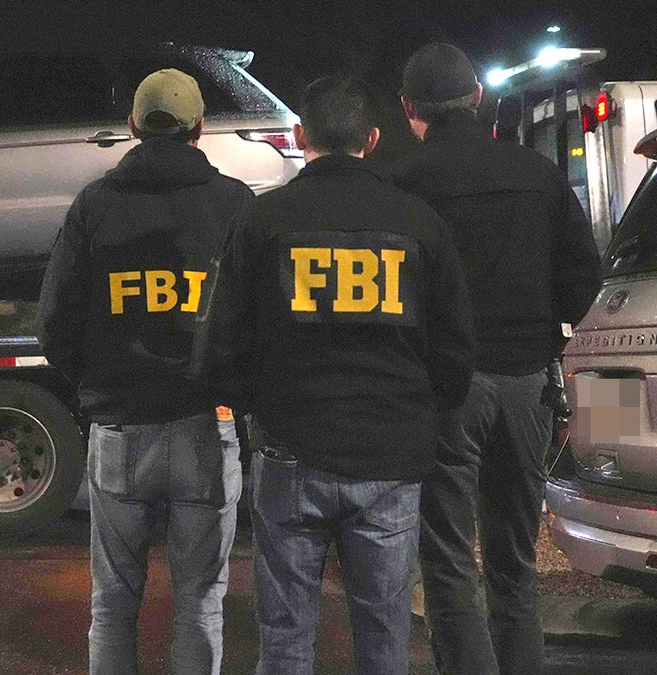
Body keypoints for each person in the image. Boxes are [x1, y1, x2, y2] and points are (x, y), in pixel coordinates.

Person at [195, 74, 475, 674]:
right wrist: (420, 415)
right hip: (391, 454)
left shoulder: (264, 220)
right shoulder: (418, 222)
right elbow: (454, 352)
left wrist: (260, 405)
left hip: (292, 448)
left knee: (287, 634)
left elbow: (219, 347)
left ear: (301, 135)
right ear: (372, 140)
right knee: (383, 632)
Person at [392, 43, 602, 674]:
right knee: (516, 562)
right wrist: (545, 331)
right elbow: (584, 275)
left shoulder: (403, 186)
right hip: (527, 383)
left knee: (450, 562)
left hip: (447, 390)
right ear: (478, 97)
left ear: (409, 110)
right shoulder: (536, 174)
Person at [38, 68, 251, 674]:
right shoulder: (235, 204)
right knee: (200, 603)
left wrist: (98, 387)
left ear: (132, 126)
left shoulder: (96, 205)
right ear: (199, 128)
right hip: (207, 424)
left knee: (112, 604)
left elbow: (55, 324)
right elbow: (255, 321)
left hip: (120, 429)